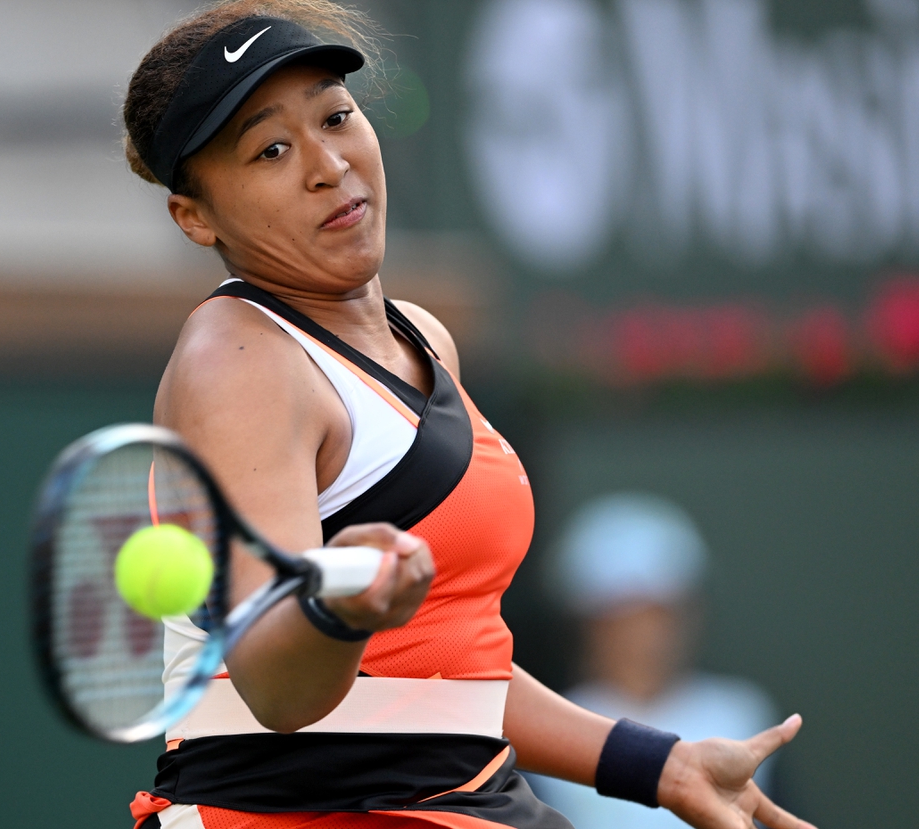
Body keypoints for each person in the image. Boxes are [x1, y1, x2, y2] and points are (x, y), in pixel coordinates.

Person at [119, 2, 816, 828]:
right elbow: (275, 686)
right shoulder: (237, 359)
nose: (328, 164)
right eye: (271, 149)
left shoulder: (424, 340)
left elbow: (449, 669)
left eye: (337, 118)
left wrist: (656, 764)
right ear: (195, 215)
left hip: (464, 798)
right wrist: (336, 608)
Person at [530, 493, 783, 828]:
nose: (648, 636)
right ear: (588, 625)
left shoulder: (744, 713)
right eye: (624, 617)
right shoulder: (544, 728)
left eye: (662, 614)